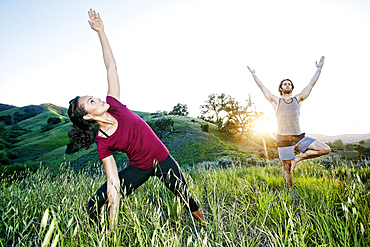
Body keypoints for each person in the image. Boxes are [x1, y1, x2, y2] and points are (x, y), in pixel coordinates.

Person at [68, 9, 205, 230]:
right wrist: (113, 224)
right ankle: (98, 234)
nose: (97, 98)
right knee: (94, 202)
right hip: (138, 169)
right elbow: (113, 183)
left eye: (93, 97)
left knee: (186, 197)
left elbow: (111, 67)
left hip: (163, 160)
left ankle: (206, 226)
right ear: (88, 116)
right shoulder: (103, 142)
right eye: (91, 102)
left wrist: (101, 33)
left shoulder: (115, 104)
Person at [247, 57, 331, 189]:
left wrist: (319, 69)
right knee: (286, 168)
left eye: (289, 84)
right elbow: (262, 87)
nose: (287, 85)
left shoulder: (298, 99)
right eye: (284, 84)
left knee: (325, 149)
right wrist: (254, 75)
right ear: (280, 88)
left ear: (292, 87)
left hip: (298, 137)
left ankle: (297, 159)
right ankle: (290, 192)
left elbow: (311, 85)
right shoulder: (276, 101)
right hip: (283, 139)